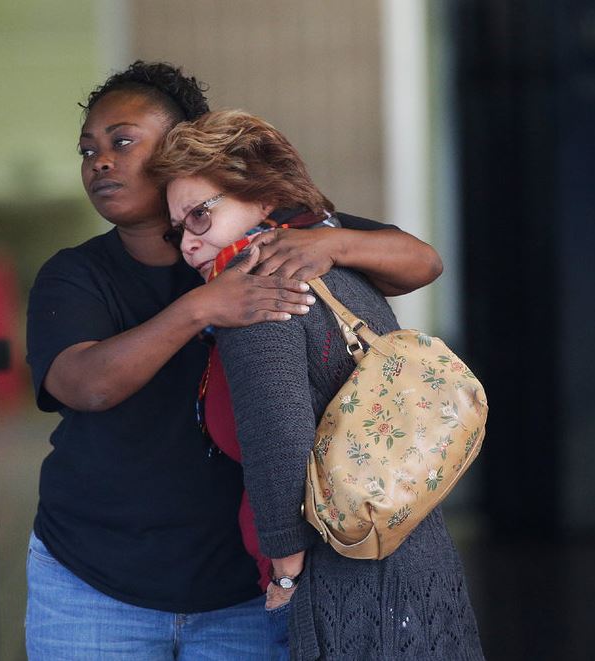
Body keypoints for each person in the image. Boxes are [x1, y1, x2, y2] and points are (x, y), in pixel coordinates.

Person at [24, 61, 444, 660]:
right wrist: (202, 308)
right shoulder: (76, 274)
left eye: (122, 141)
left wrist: (328, 241)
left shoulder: (265, 237)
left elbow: (421, 262)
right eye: (88, 149)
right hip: (93, 583)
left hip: (246, 592)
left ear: (181, 149)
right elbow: (83, 384)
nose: (100, 161)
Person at [148, 108, 484, 660]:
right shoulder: (330, 263)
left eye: (201, 216)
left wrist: (284, 572)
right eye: (177, 229)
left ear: (260, 196)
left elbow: (278, 438)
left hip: (340, 578)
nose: (187, 244)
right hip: (414, 553)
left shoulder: (259, 286)